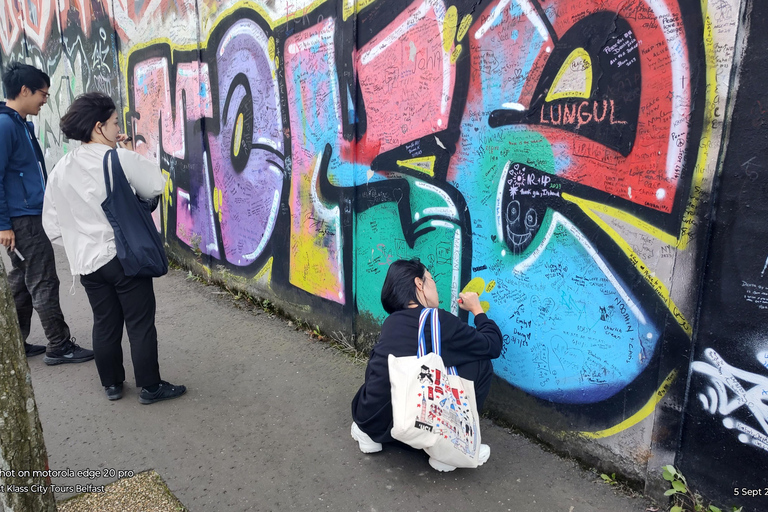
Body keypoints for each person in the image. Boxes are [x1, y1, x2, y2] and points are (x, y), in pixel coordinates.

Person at [42, 91, 186, 404]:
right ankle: (150, 387)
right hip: (123, 256)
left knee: (105, 322)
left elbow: (51, 225)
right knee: (139, 322)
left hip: (87, 264)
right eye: (114, 122)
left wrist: (78, 245)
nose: (118, 127)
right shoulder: (117, 158)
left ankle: (112, 384)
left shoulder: (61, 168)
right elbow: (155, 187)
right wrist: (127, 150)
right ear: (99, 127)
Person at [350, 258, 503, 471]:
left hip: (372, 419)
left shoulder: (391, 322)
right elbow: (492, 345)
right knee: (480, 362)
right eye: (431, 280)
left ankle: (366, 434)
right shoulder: (438, 321)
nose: (435, 287)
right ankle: (448, 451)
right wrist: (477, 310)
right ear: (419, 284)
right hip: (415, 428)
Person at [0, 62, 93, 363]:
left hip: (25, 214)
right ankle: (59, 345)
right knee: (43, 280)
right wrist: (4, 225)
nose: (45, 100)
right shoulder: (5, 126)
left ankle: (13, 343)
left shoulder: (18, 123)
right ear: (24, 90)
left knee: (23, 281)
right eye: (43, 93)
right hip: (21, 218)